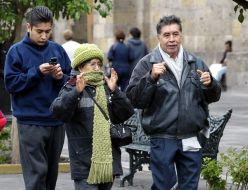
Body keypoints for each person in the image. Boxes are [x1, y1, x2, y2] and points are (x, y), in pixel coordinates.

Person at [126, 15, 221, 190]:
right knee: (164, 185)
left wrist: (211, 85)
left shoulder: (196, 63)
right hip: (162, 138)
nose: (172, 39)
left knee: (189, 186)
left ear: (181, 35)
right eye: (167, 35)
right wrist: (150, 78)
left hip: (191, 136)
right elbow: (134, 99)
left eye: (175, 34)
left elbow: (213, 97)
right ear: (158, 38)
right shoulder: (146, 64)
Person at [4, 6, 71, 190]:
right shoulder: (16, 52)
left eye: (48, 31)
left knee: (51, 176)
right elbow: (11, 84)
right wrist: (37, 72)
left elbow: (71, 84)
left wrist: (60, 78)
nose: (44, 36)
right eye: (39, 31)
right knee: (36, 177)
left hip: (56, 122)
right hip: (30, 122)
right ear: (28, 27)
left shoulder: (58, 49)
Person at [50, 43, 134, 190]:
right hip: (83, 162)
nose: (97, 68)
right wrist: (76, 92)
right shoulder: (71, 86)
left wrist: (116, 92)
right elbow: (59, 112)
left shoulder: (106, 86)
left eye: (99, 64)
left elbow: (125, 113)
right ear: (81, 67)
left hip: (107, 160)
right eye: (92, 64)